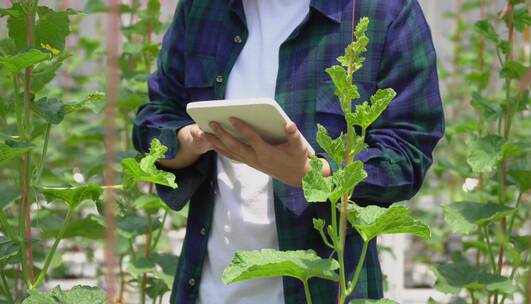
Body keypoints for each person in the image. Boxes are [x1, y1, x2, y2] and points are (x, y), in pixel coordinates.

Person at [132, 0, 444, 303]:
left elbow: (409, 152)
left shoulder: (383, 10)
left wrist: (315, 175)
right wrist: (189, 142)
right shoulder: (203, 7)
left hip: (324, 290)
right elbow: (156, 117)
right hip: (207, 288)